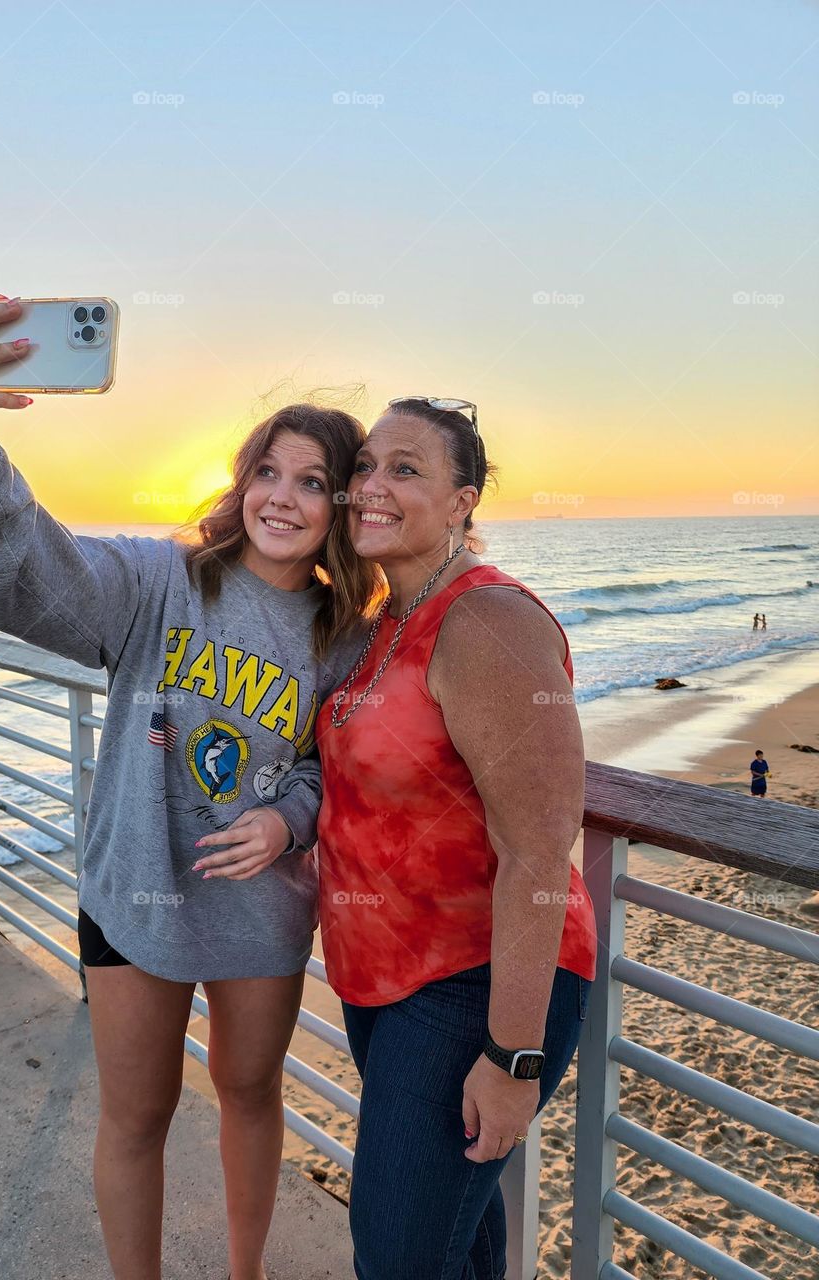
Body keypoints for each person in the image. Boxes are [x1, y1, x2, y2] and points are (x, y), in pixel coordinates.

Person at [0, 284, 377, 1280]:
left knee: (251, 1094)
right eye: (267, 469)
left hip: (259, 909)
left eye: (312, 479)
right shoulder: (162, 580)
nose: (283, 495)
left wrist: (289, 823)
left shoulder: (343, 636)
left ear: (341, 503)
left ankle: (245, 1271)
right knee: (137, 1115)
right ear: (240, 479)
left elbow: (333, 769)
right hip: (133, 896)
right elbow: (22, 573)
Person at [311, 396, 597, 1280]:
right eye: (365, 467)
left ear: (463, 501)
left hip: (472, 988)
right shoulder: (380, 622)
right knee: (457, 1240)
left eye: (406, 469)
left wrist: (513, 1057)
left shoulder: (488, 623)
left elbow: (542, 854)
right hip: (380, 983)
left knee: (397, 1256)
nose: (371, 487)